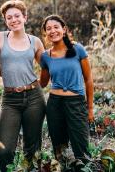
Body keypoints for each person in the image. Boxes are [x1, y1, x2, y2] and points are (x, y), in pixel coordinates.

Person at [0, 0, 46, 172]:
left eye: (17, 16)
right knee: (4, 150)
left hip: (34, 98)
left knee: (32, 148)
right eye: (9, 17)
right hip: (10, 100)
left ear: (25, 17)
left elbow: (47, 67)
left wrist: (41, 83)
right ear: (5, 20)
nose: (13, 20)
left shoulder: (35, 41)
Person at [39, 15, 94, 171]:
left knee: (81, 147)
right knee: (59, 147)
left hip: (76, 102)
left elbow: (89, 80)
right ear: (45, 34)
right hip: (54, 104)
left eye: (56, 27)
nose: (52, 31)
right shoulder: (46, 56)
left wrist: (89, 108)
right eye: (48, 29)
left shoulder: (77, 49)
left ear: (64, 29)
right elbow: (42, 83)